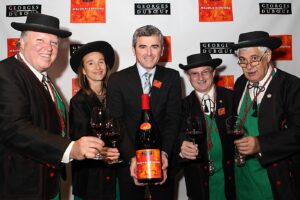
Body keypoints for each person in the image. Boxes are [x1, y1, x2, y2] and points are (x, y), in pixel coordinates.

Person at [0, 13, 105, 200]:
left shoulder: (44, 79)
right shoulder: (6, 72)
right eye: (40, 40)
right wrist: (69, 149)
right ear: (21, 43)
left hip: (49, 185)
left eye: (54, 43)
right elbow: (14, 128)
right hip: (20, 189)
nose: (48, 48)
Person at [107, 25, 181, 200]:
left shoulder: (172, 77)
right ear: (134, 49)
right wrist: (133, 157)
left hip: (162, 162)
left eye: (154, 46)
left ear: (162, 49)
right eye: (142, 46)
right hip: (129, 162)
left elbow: (173, 119)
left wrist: (163, 155)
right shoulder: (117, 80)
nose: (149, 53)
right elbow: (117, 122)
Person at [229, 31, 300, 200]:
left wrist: (261, 144)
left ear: (267, 56)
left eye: (254, 58)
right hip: (243, 177)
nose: (248, 66)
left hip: (275, 178)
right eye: (243, 60)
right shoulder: (240, 83)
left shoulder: (291, 86)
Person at [177, 53, 235, 200]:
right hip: (199, 185)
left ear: (213, 73)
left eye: (205, 72)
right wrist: (181, 146)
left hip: (233, 180)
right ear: (188, 76)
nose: (200, 78)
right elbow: (174, 135)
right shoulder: (181, 107)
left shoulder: (232, 98)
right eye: (194, 74)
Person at [69, 41, 120, 200]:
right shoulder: (78, 102)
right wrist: (104, 152)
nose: (98, 67)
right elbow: (80, 138)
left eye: (101, 62)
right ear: (83, 70)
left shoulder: (116, 96)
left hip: (116, 174)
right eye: (91, 63)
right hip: (91, 179)